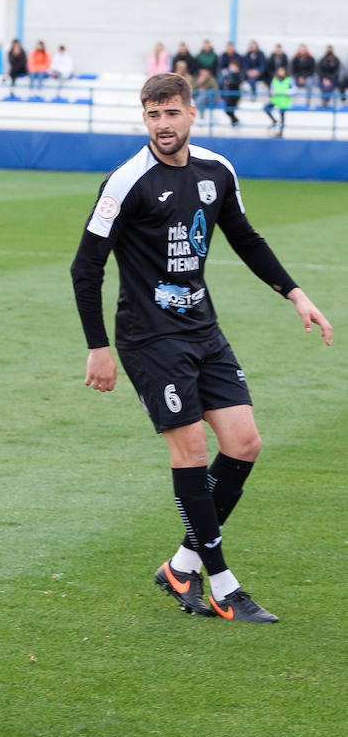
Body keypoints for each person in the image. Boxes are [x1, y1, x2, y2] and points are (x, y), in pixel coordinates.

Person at [69, 72, 332, 624]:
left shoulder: (217, 171)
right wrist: (98, 346)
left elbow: (245, 237)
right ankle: (222, 584)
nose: (163, 125)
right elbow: (85, 266)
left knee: (244, 444)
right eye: (153, 115)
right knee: (189, 453)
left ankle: (181, 564)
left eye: (171, 113)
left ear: (192, 113)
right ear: (145, 119)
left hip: (202, 329)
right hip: (148, 338)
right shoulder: (126, 182)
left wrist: (296, 294)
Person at [264, 65, 292, 137]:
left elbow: (294, 89)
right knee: (266, 108)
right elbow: (271, 89)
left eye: (282, 71)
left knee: (282, 116)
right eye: (279, 71)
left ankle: (281, 132)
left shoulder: (289, 80)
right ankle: (274, 120)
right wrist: (272, 92)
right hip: (275, 100)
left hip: (284, 101)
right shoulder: (274, 80)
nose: (281, 72)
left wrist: (288, 92)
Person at [219, 57, 244, 126]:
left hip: (235, 95)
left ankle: (235, 121)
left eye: (233, 66)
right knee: (227, 110)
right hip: (229, 94)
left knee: (230, 109)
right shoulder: (229, 74)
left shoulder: (238, 74)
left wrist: (229, 82)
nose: (231, 68)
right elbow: (224, 81)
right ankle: (234, 121)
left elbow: (236, 83)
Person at [316, 44, 340, 109]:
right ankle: (325, 101)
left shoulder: (336, 60)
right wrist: (324, 79)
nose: (329, 50)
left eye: (330, 49)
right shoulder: (322, 60)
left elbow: (336, 72)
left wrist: (330, 80)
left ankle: (326, 101)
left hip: (333, 80)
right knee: (322, 86)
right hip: (323, 80)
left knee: (330, 87)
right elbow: (320, 71)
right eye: (328, 49)